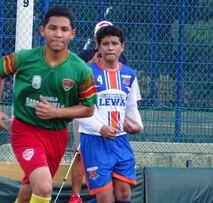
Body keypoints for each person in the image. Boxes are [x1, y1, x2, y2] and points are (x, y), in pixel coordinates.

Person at [0, 7, 98, 203]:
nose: (57, 34)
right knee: (44, 186)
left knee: (30, 190)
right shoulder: (24, 57)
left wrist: (56, 112)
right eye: (52, 28)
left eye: (64, 29)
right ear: (42, 30)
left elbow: (89, 108)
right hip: (26, 131)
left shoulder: (81, 70)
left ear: (72, 34)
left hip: (57, 136)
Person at [76, 25, 143, 203]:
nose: (110, 47)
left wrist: (138, 126)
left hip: (120, 140)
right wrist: (100, 128)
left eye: (115, 43)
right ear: (98, 46)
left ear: (123, 47)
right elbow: (77, 110)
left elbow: (131, 108)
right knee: (105, 198)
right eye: (105, 43)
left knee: (123, 194)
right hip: (94, 140)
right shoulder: (86, 73)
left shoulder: (129, 74)